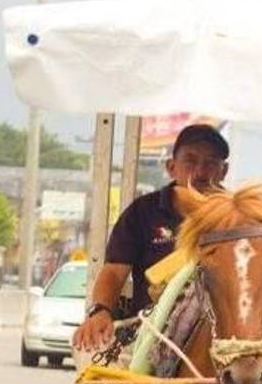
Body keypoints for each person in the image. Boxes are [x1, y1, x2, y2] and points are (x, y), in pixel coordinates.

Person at [72, 123, 230, 354]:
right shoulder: (142, 213)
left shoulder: (239, 217)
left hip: (222, 334)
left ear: (223, 171)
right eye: (190, 160)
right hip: (150, 331)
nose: (200, 171)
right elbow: (115, 272)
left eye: (210, 163)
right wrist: (100, 311)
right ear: (171, 167)